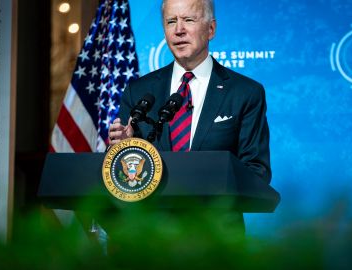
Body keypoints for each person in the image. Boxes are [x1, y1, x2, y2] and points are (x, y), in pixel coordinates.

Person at [109, 0, 271, 184]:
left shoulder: (245, 92)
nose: (179, 30)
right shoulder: (138, 92)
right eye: (171, 21)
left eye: (188, 20)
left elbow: (257, 171)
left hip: (215, 211)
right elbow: (122, 176)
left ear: (211, 29)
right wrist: (123, 149)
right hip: (153, 212)